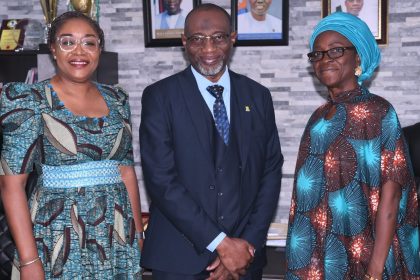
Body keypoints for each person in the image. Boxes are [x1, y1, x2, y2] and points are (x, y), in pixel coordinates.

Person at [140, 3, 283, 279]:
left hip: (245, 259)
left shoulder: (258, 96)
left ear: (233, 38)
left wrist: (244, 248)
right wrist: (221, 244)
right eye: (197, 39)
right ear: (184, 42)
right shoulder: (160, 97)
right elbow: (161, 181)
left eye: (218, 37)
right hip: (179, 260)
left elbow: (270, 171)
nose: (208, 49)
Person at [0, 11, 143, 279]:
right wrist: (30, 262)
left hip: (116, 234)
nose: (79, 51)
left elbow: (126, 171)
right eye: (67, 42)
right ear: (53, 49)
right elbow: (11, 185)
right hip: (57, 233)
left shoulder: (117, 99)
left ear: (100, 49)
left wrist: (138, 235)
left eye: (89, 42)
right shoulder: (28, 100)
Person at [285, 12, 420, 280]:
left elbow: (391, 195)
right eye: (318, 54)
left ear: (358, 56)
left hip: (365, 256)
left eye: (336, 50)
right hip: (318, 258)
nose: (325, 60)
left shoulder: (378, 112)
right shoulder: (317, 119)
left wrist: (375, 269)